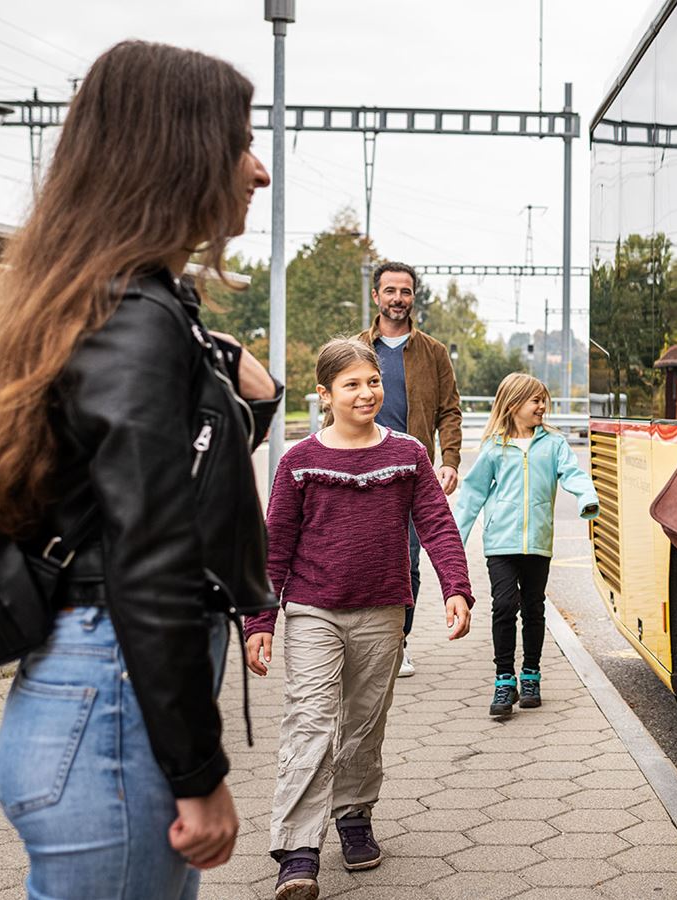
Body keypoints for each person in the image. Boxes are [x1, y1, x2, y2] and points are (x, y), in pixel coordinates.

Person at [0, 41, 280, 898]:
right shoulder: (133, 315)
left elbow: (164, 484)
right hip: (114, 715)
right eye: (239, 144)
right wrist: (199, 773)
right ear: (176, 152)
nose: (257, 172)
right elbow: (148, 559)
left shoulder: (109, 301)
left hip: (98, 705)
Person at [243, 338, 473, 899]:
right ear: (325, 394)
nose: (367, 392)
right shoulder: (300, 461)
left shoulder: (408, 453)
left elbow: (437, 525)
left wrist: (455, 588)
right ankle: (298, 848)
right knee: (311, 721)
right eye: (351, 384)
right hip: (312, 610)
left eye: (373, 381)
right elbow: (276, 545)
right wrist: (259, 622)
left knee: (365, 725)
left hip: (383, 609)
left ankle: (353, 815)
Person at [451, 373, 599, 717]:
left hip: (538, 542)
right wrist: (455, 541)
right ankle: (504, 679)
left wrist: (586, 498)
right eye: (535, 400)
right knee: (504, 606)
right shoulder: (494, 448)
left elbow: (573, 475)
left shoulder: (554, 444)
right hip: (500, 543)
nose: (542, 406)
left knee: (534, 608)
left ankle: (531, 674)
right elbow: (472, 495)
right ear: (514, 404)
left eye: (543, 400)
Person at [355, 262, 464, 678]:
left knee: (408, 563)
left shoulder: (433, 352)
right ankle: (363, 640)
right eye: (390, 291)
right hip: (363, 470)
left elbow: (449, 411)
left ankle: (398, 642)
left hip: (412, 473)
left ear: (413, 296)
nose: (398, 298)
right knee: (363, 557)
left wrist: (449, 460)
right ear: (376, 296)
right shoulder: (358, 350)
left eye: (406, 291)